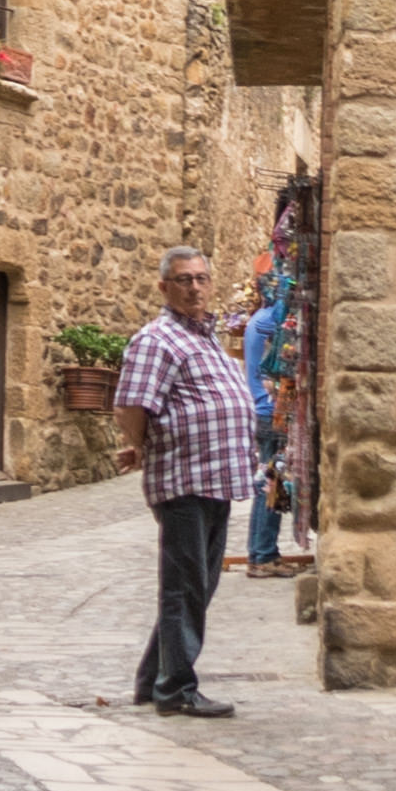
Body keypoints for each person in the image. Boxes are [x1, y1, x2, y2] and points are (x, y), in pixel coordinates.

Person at [113, 241, 257, 716]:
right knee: (185, 587)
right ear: (164, 287)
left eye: (201, 278)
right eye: (184, 280)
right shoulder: (157, 339)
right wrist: (139, 443)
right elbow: (131, 404)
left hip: (216, 479)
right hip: (184, 480)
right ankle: (175, 690)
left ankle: (151, 681)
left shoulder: (205, 337)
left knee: (199, 585)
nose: (195, 288)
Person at [242, 264, 291, 574]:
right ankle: (263, 555)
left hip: (262, 411)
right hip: (269, 413)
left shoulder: (257, 320)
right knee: (271, 484)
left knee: (266, 481)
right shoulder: (270, 322)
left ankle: (259, 553)